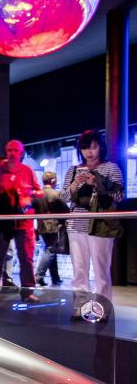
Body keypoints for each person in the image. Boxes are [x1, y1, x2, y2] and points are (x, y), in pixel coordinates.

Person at [60, 130, 124, 319]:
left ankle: (102, 310)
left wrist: (97, 182)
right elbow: (63, 198)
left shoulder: (111, 168)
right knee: (79, 270)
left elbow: (119, 196)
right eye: (86, 147)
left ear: (100, 147)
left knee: (101, 270)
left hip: (101, 225)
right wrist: (74, 185)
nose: (90, 152)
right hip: (76, 225)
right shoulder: (73, 170)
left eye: (94, 147)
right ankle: (80, 309)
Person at [0, 139, 40, 299]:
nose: (12, 153)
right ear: (6, 151)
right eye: (9, 150)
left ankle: (28, 291)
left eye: (15, 150)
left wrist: (28, 196)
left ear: (21, 152)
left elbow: (39, 191)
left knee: (26, 257)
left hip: (24, 220)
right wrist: (6, 195)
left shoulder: (27, 170)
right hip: (5, 219)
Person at [33, 171, 69, 287]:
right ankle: (38, 276)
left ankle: (55, 278)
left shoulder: (37, 195)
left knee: (51, 249)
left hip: (41, 226)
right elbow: (66, 211)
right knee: (51, 250)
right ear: (53, 180)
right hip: (54, 226)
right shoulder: (56, 194)